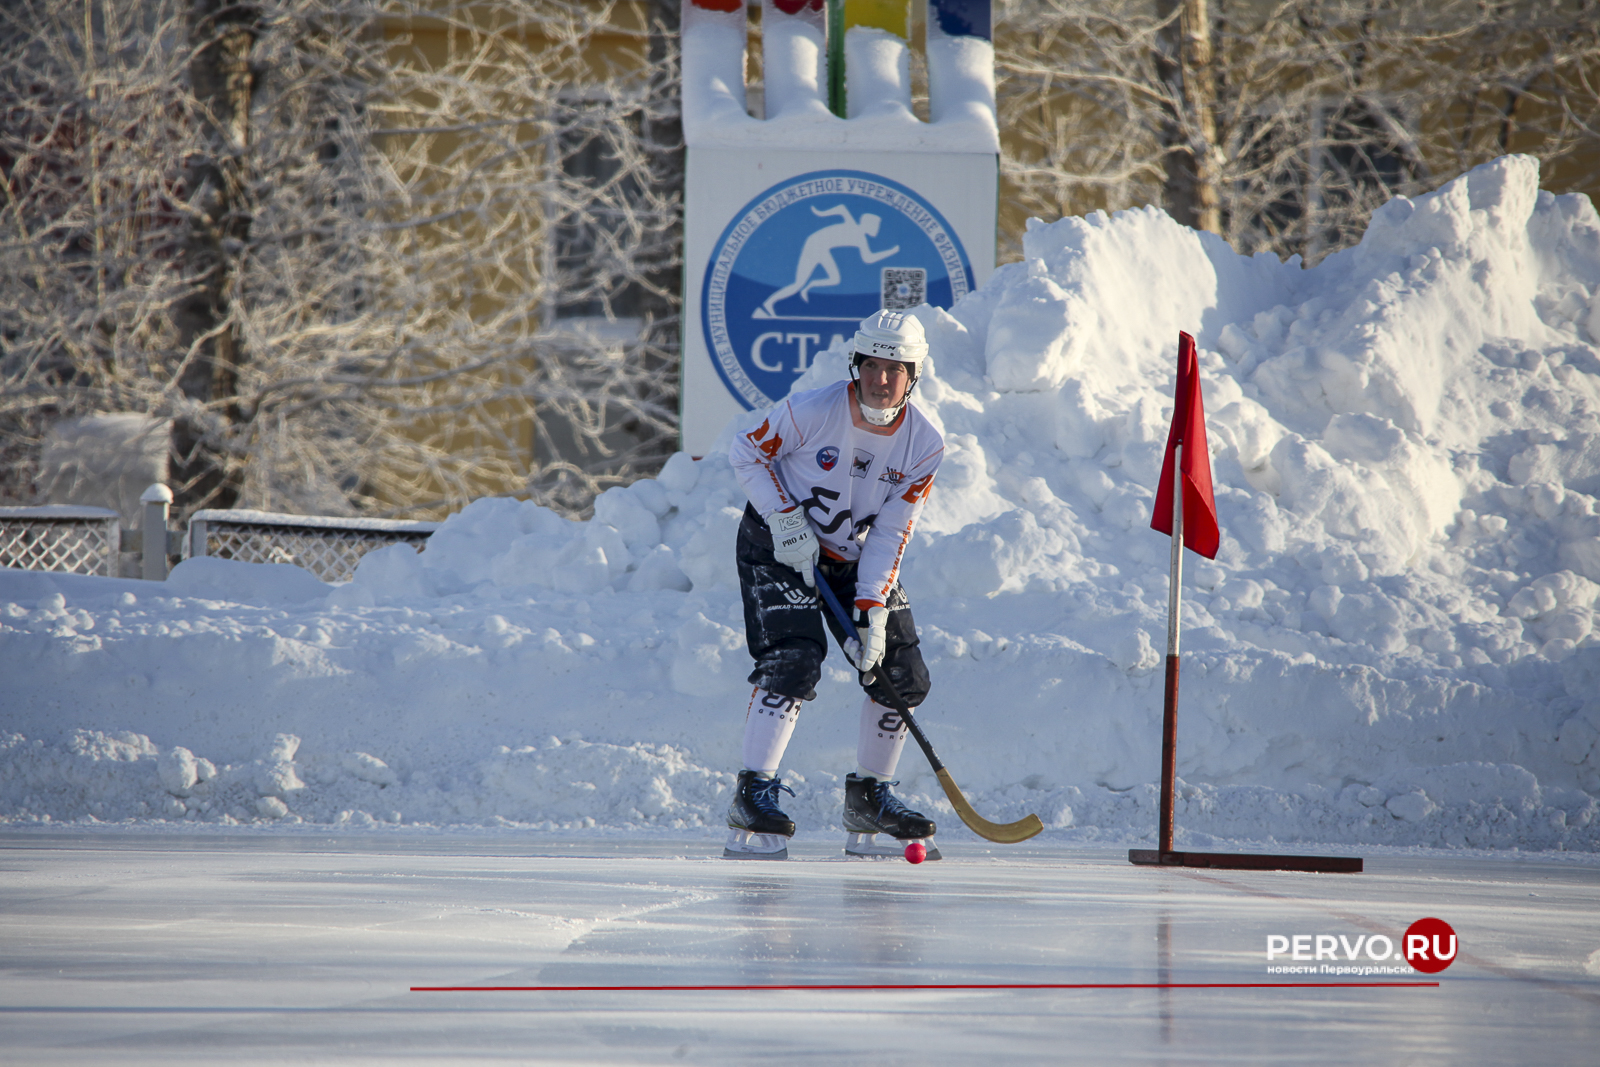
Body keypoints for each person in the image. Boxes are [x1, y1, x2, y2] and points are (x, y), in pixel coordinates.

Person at [723, 309, 945, 860]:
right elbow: (746, 452)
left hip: (853, 559)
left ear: (914, 375)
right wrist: (784, 517)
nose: (881, 379)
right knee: (795, 657)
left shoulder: (925, 443)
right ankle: (754, 792)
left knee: (900, 671)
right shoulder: (812, 411)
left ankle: (870, 798)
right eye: (871, 365)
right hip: (777, 546)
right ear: (857, 365)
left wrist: (870, 609)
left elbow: (893, 531)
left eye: (895, 368)